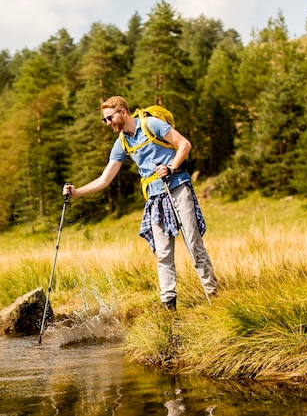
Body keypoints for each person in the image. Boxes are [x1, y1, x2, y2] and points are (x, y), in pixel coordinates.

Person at [63, 96, 217, 310]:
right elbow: (105, 179)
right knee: (163, 253)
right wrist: (77, 192)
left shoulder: (152, 125)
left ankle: (214, 296)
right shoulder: (122, 144)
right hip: (155, 198)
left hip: (178, 187)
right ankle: (168, 305)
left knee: (194, 244)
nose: (108, 123)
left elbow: (184, 144)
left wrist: (171, 167)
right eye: (105, 120)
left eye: (109, 118)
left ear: (123, 112)